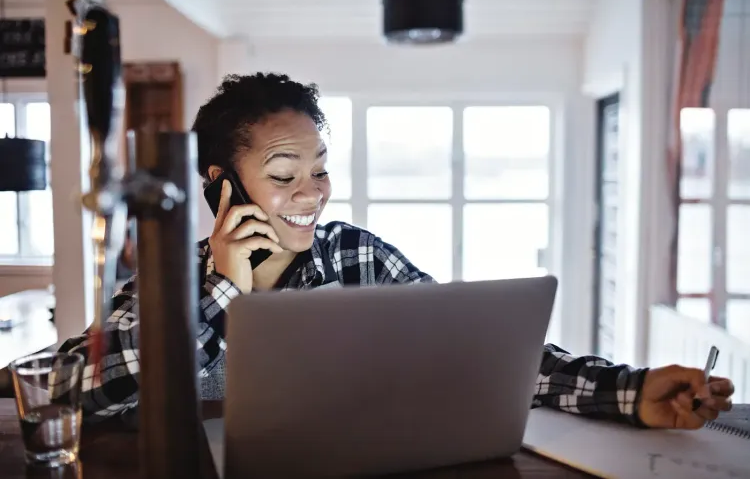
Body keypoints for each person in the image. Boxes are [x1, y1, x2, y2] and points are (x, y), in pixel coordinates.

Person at [60, 72, 734, 430]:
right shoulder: (169, 278)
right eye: (285, 173)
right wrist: (223, 293)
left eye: (319, 168)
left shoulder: (359, 259)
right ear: (223, 185)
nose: (312, 193)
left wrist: (630, 391)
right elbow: (78, 389)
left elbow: (476, 352)